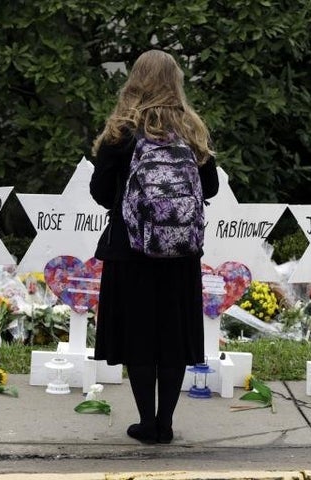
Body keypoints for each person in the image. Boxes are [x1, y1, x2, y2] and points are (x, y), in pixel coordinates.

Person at [89, 50, 219, 444]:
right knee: (173, 339)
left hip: (131, 252)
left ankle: (147, 423)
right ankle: (166, 422)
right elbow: (210, 187)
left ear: (135, 81)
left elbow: (99, 192)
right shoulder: (191, 129)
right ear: (175, 82)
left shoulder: (121, 131)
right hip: (180, 255)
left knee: (140, 337)